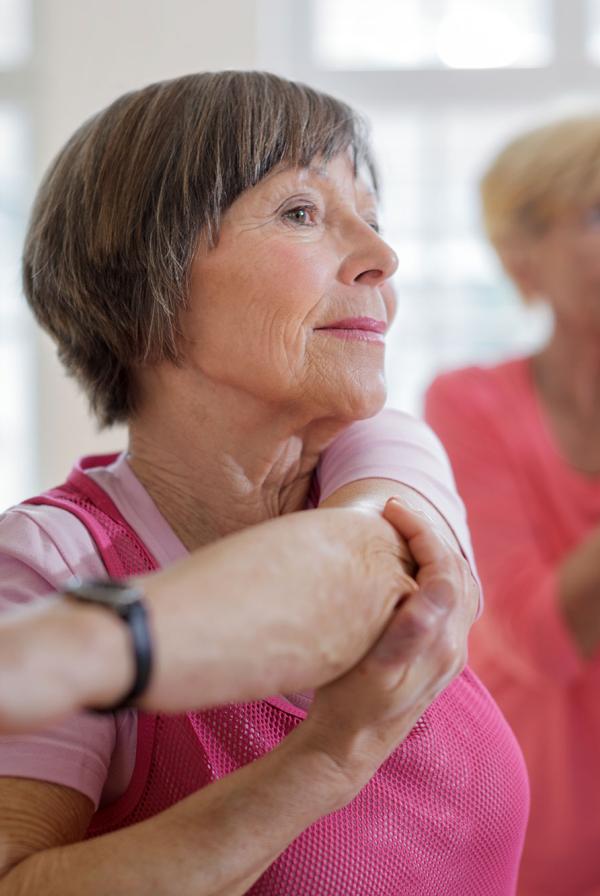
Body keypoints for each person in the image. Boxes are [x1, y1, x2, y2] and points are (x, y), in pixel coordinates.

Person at [0, 71, 528, 895]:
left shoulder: (383, 451)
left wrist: (87, 650)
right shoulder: (48, 566)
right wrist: (322, 761)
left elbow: (355, 563)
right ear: (149, 278)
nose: (383, 258)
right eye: (301, 213)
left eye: (374, 219)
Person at [425, 115, 600, 896]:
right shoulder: (469, 404)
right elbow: (539, 634)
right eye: (596, 215)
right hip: (536, 824)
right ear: (518, 255)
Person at [0, 495, 460, 733]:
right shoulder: (42, 556)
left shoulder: (384, 439)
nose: (389, 306)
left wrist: (81, 646)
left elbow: (374, 551)